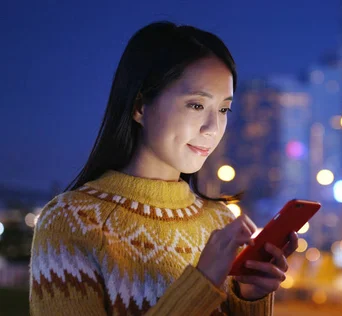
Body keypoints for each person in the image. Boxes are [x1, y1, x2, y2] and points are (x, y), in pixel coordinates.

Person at [29, 21, 298, 315]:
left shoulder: (220, 223)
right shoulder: (69, 223)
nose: (213, 128)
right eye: (196, 105)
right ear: (140, 106)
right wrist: (202, 282)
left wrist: (251, 297)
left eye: (223, 110)